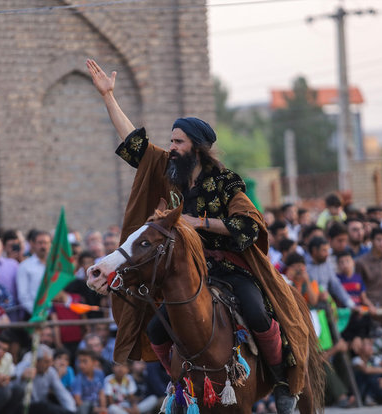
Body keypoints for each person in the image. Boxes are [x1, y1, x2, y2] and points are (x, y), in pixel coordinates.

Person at [86, 58, 312, 413]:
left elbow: (250, 225)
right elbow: (134, 144)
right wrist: (108, 97)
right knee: (158, 330)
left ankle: (283, 380)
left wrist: (201, 223)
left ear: (197, 146)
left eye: (178, 141)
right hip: (184, 270)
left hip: (227, 268)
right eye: (171, 140)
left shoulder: (225, 183)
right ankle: (179, 384)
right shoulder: (167, 171)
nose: (171, 146)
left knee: (255, 311)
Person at [16, 344, 76, 414]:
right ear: (37, 361)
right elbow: (12, 385)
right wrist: (22, 377)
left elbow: (62, 393)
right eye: (46, 362)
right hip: (23, 406)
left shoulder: (50, 371)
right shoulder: (24, 366)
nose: (49, 365)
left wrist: (72, 411)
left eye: (50, 361)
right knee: (44, 407)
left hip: (41, 406)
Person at [16, 230, 51, 317]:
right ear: (33, 244)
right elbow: (23, 296)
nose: (43, 246)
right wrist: (38, 313)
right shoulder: (25, 266)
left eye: (46, 243)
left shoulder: (55, 265)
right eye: (40, 243)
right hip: (34, 314)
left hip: (54, 314)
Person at [71, 349, 106, 414]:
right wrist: (95, 409)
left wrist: (103, 409)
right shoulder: (78, 379)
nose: (81, 365)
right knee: (86, 405)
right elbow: (78, 401)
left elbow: (101, 393)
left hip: (98, 407)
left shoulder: (100, 374)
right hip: (85, 409)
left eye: (85, 361)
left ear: (94, 362)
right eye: (80, 362)